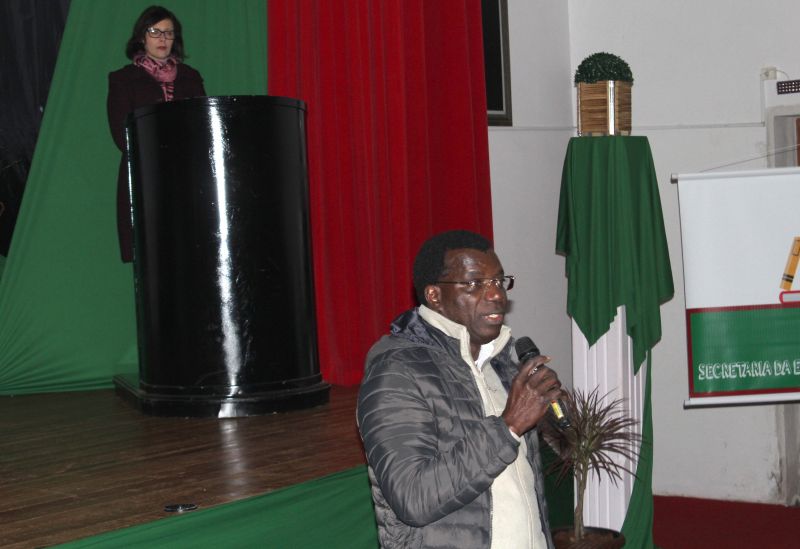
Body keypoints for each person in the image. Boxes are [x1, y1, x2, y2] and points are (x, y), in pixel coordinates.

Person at [357, 229, 564, 548]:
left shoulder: (502, 364)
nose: (496, 295)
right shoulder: (397, 372)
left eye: (498, 281)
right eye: (475, 283)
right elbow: (413, 498)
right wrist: (508, 427)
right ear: (434, 296)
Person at [106, 5, 206, 263]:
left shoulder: (191, 77)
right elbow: (122, 134)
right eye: (155, 32)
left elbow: (201, 127)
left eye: (168, 33)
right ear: (142, 37)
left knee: (188, 253)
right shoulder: (122, 79)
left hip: (185, 178)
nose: (162, 39)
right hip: (144, 177)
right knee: (150, 256)